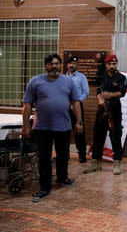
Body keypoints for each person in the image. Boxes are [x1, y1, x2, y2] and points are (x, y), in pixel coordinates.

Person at [22, 53, 83, 202]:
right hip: (42, 127)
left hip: (63, 126)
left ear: (60, 65)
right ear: (46, 66)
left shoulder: (68, 82)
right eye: (51, 64)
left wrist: (79, 122)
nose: (54, 66)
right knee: (44, 157)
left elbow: (75, 102)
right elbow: (27, 105)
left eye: (57, 63)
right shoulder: (35, 82)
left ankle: (62, 178)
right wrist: (25, 126)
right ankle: (44, 187)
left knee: (63, 155)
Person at [83, 54, 127, 175]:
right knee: (98, 135)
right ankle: (96, 163)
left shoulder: (121, 77)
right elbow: (98, 91)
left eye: (114, 64)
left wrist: (110, 95)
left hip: (115, 109)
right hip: (102, 109)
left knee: (115, 136)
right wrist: (101, 101)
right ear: (106, 65)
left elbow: (122, 92)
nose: (113, 66)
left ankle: (117, 163)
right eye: (110, 64)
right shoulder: (102, 77)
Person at [65, 56, 89, 163]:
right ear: (67, 65)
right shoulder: (62, 78)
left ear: (77, 65)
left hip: (77, 107)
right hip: (64, 107)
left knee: (79, 130)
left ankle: (82, 155)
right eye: (70, 63)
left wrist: (77, 102)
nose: (71, 65)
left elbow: (86, 92)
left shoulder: (81, 77)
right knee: (64, 131)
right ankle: (65, 154)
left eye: (74, 63)